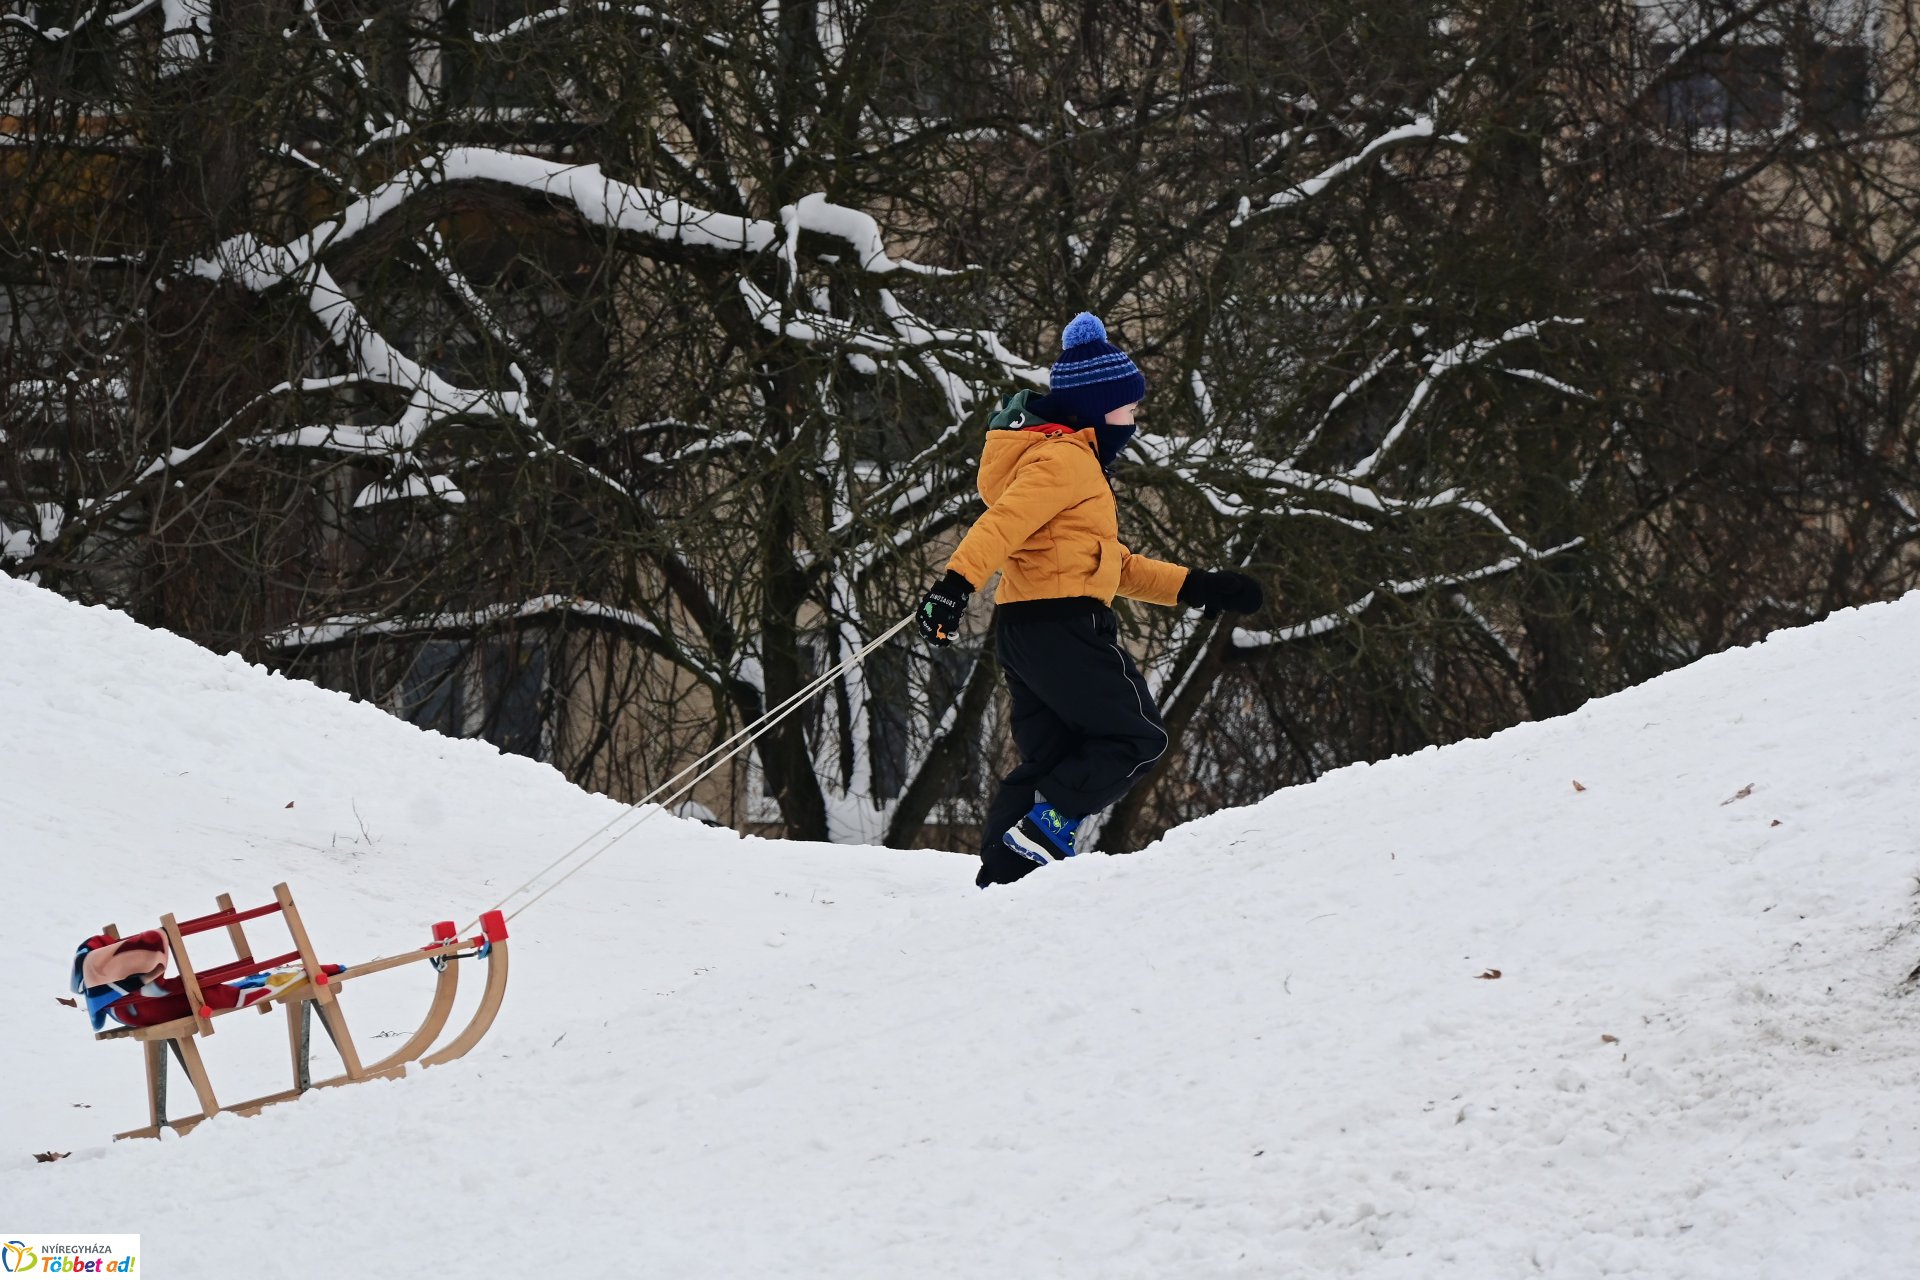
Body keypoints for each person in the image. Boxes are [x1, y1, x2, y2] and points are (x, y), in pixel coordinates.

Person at [919, 312, 1264, 888]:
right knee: (1136, 737)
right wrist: (954, 587)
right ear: (1098, 408)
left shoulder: (1060, 462)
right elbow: (1002, 523)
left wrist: (1200, 586)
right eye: (1128, 407)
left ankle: (1004, 880)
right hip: (1065, 626)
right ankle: (1048, 827)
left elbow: (1112, 565)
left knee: (1048, 759)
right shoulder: (1064, 461)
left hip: (1026, 629)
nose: (1134, 418)